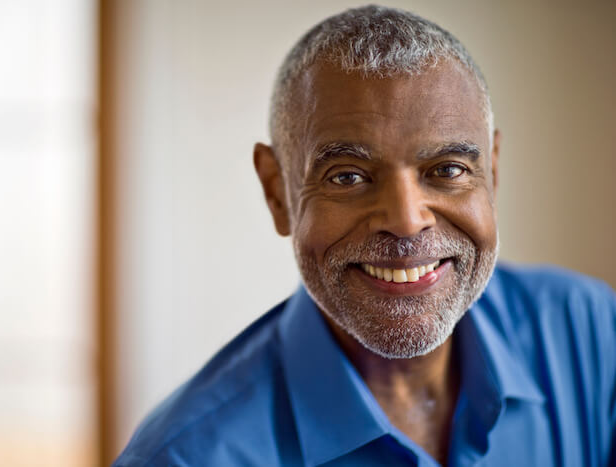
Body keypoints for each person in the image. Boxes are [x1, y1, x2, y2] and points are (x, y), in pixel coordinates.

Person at [114, 6, 615, 466]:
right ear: (277, 193)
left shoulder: (591, 335)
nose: (405, 220)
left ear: (494, 174)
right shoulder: (185, 457)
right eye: (347, 176)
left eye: (448, 169)